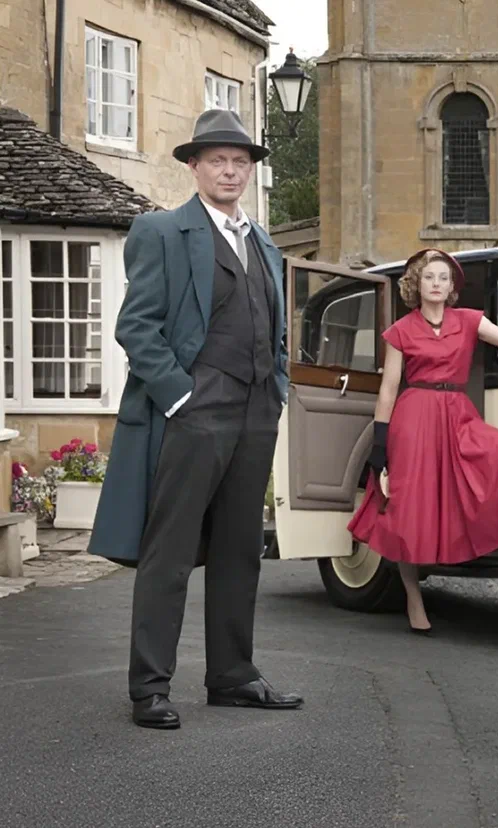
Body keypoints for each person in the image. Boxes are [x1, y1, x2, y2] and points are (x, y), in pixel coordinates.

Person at [88, 110, 302, 729]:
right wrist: (179, 396)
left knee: (241, 549)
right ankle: (150, 687)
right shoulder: (161, 230)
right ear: (194, 167)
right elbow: (137, 326)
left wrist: (277, 387)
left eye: (240, 162)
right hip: (194, 410)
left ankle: (233, 676)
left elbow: (274, 327)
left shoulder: (264, 242)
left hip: (256, 411)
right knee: (171, 552)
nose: (230, 171)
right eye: (217, 161)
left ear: (250, 170)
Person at [347, 247, 498, 634]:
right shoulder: (401, 330)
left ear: (451, 286)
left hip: (458, 414)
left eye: (443, 278)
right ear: (417, 283)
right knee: (408, 513)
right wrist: (379, 445)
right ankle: (413, 598)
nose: (437, 283)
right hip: (414, 420)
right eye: (429, 277)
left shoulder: (470, 320)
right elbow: (389, 390)